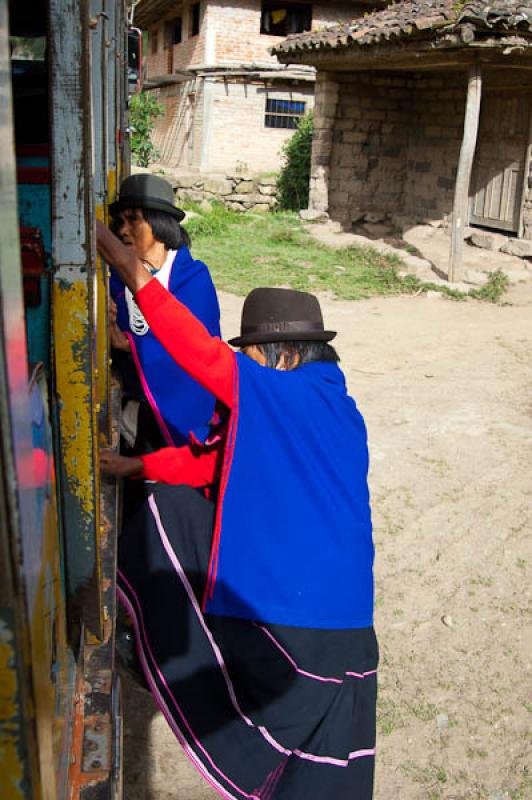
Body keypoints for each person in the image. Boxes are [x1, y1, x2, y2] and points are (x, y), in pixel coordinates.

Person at [98, 221, 378, 800]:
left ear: (281, 356)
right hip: (352, 641)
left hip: (293, 632)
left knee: (167, 517)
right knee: (314, 779)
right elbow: (210, 462)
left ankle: (144, 642)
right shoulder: (339, 410)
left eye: (250, 355)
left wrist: (132, 274)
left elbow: (199, 354)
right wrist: (131, 466)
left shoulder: (281, 393)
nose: (244, 367)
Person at [108, 173, 220, 450]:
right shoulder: (112, 279)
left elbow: (196, 350)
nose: (123, 230)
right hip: (133, 415)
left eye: (134, 219)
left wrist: (130, 345)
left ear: (159, 224)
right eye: (120, 222)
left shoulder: (193, 279)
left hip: (181, 414)